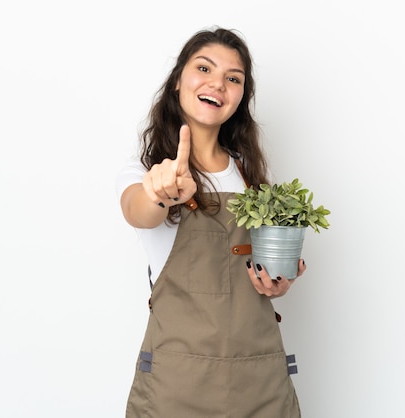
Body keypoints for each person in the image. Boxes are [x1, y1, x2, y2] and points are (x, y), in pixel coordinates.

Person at [115, 26, 304, 417]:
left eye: (233, 78)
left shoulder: (250, 177)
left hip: (260, 383)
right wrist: (160, 194)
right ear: (177, 82)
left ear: (240, 98)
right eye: (204, 68)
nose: (217, 84)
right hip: (176, 388)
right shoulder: (146, 173)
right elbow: (138, 209)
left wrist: (278, 279)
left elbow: (259, 269)